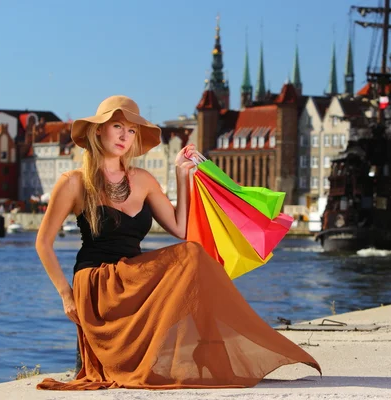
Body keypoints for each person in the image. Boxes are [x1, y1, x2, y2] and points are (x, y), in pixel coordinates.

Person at [35, 95, 320, 390]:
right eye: (117, 126)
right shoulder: (74, 182)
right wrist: (66, 296)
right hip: (98, 283)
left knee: (191, 254)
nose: (124, 136)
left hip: (133, 277)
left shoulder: (143, 180)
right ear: (98, 130)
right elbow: (43, 243)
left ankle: (209, 347)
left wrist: (181, 174)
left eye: (131, 131)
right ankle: (206, 348)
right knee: (190, 255)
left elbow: (180, 228)